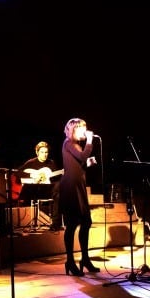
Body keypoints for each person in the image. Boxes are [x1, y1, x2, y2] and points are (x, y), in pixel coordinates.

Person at [59, 118, 99, 276]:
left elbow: (78, 163)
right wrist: (89, 141)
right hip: (70, 189)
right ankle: (70, 261)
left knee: (86, 222)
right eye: (82, 128)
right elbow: (81, 157)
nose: (85, 131)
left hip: (79, 187)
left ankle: (85, 259)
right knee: (72, 225)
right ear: (73, 130)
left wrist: (87, 163)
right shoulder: (68, 143)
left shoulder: (75, 145)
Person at [16, 141, 63, 231]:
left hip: (48, 191)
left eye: (46, 152)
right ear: (37, 152)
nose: (45, 155)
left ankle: (56, 224)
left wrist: (58, 174)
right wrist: (32, 175)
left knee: (58, 191)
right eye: (42, 152)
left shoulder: (51, 163)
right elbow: (17, 173)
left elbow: (57, 178)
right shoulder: (31, 162)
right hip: (34, 191)